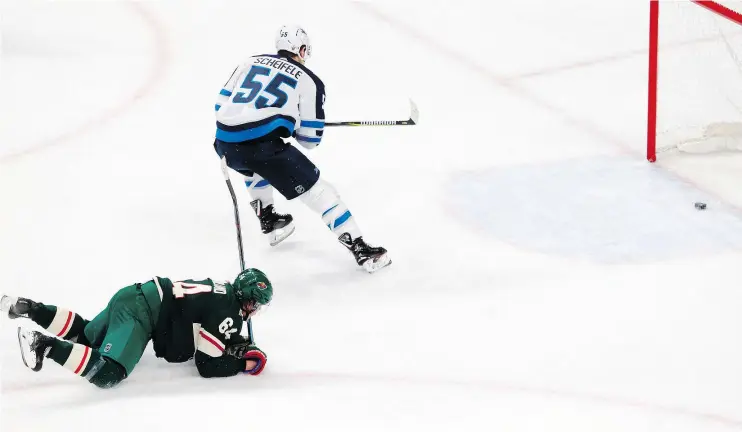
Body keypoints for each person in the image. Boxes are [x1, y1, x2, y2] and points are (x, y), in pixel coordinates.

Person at [213, 24, 391, 273]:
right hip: (261, 149)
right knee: (320, 192)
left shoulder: (249, 61)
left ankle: (271, 220)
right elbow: (310, 139)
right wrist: (293, 123)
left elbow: (221, 104)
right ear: (303, 49)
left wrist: (276, 121)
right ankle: (361, 249)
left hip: (223, 143)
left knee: (252, 166)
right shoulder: (310, 81)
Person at [0, 268, 273, 388]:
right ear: (249, 300)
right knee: (108, 373)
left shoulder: (222, 291)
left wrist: (233, 340)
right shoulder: (228, 311)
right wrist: (242, 365)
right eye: (256, 305)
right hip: (141, 313)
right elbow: (206, 364)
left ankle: (29, 307)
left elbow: (205, 319)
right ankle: (43, 344)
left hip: (134, 294)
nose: (256, 311)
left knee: (84, 337)